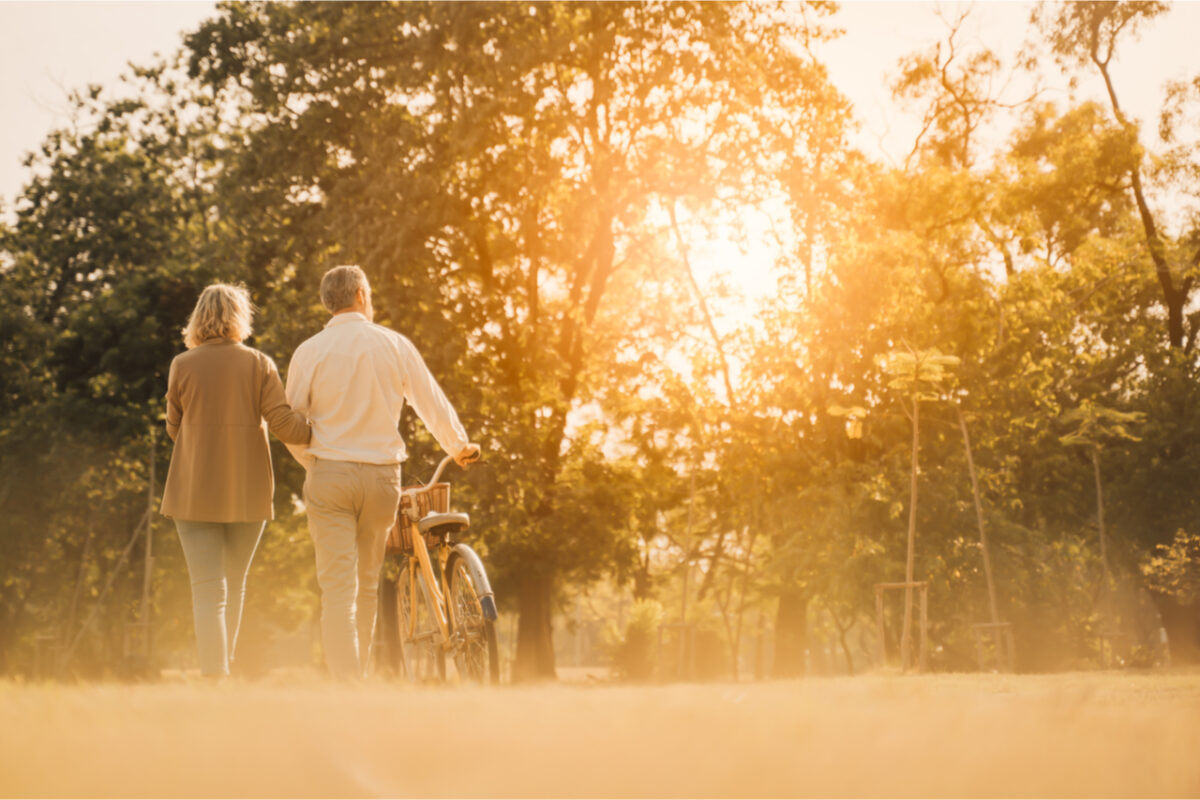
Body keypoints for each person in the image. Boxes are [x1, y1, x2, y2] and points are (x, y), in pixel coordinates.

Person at [285, 265, 480, 679]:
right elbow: (430, 400)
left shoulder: (309, 352)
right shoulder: (393, 344)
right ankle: (360, 678)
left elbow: (292, 424)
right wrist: (458, 446)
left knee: (338, 589)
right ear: (359, 294)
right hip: (381, 479)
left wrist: (314, 462)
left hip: (329, 476)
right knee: (367, 584)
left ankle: (347, 684)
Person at [161, 283, 312, 678]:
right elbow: (284, 425)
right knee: (235, 585)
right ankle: (222, 671)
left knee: (207, 589)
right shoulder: (259, 363)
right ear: (239, 317)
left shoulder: (182, 365)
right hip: (247, 490)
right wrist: (324, 429)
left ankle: (216, 677)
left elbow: (173, 429)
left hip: (192, 490)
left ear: (198, 317)